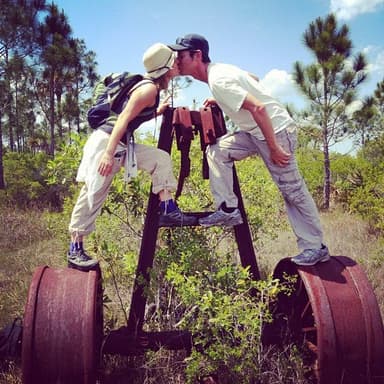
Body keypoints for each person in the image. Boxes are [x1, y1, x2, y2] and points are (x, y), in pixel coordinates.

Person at [168, 34, 330, 266]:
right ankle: (228, 208)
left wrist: (273, 146)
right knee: (217, 151)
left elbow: (259, 107)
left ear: (197, 56)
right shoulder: (219, 73)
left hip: (274, 132)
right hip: (255, 133)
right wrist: (219, 100)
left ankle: (315, 247)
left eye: (181, 55)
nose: (177, 60)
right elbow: (251, 78)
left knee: (292, 191)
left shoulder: (218, 80)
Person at [68, 43, 196, 271]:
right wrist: (108, 153)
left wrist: (157, 111)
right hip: (108, 144)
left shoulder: (149, 89)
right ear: (165, 67)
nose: (178, 64)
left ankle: (167, 208)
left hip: (121, 144)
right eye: (174, 61)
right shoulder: (148, 90)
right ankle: (74, 249)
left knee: (160, 159)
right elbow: (123, 119)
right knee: (92, 194)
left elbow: (133, 116)